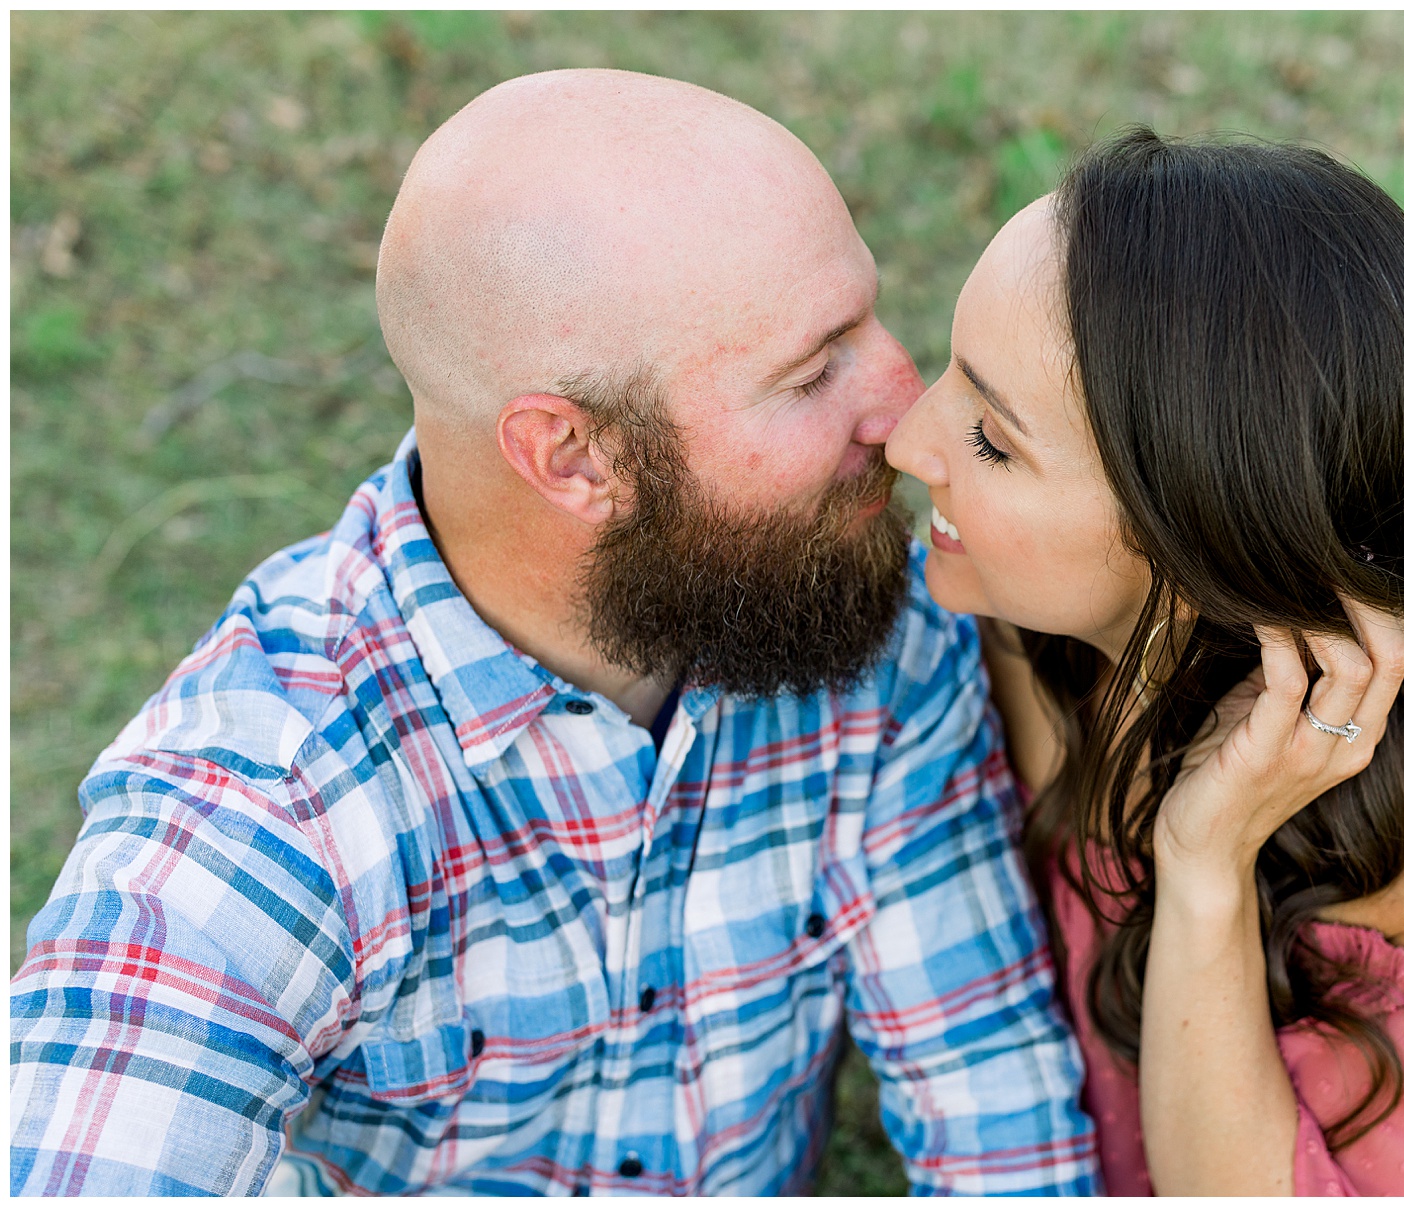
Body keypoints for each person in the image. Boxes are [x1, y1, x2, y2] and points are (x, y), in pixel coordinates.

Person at [10, 70, 1098, 1196]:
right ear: (577, 458)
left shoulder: (859, 623)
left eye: (867, 321)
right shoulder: (268, 796)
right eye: (814, 370)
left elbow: (1000, 1130)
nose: (906, 413)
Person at [886, 128, 1404, 1196]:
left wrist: (1206, 859)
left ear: (1202, 531)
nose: (906, 441)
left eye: (992, 436)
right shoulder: (1011, 626)